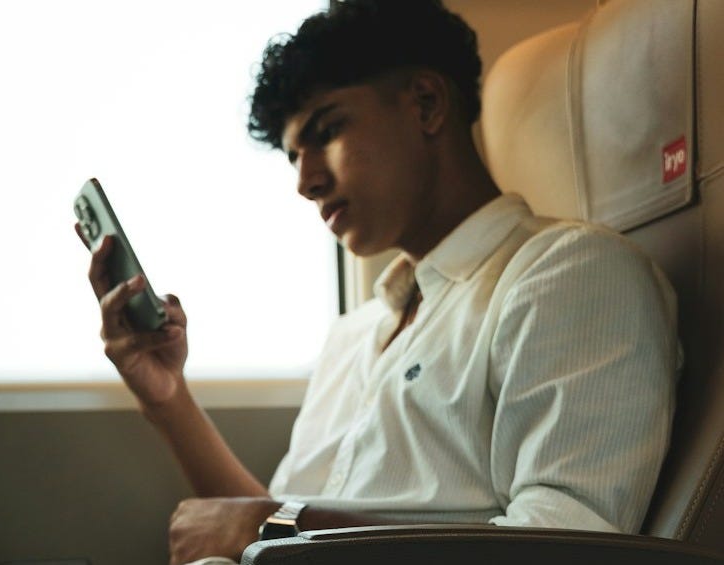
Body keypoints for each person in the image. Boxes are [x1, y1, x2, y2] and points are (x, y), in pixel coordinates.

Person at [76, 1, 681, 564]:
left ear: (426, 104)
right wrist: (168, 400)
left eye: (326, 131)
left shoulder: (570, 274)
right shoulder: (354, 334)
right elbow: (273, 535)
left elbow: (566, 545)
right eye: (292, 156)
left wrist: (272, 524)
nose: (305, 182)